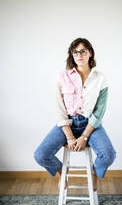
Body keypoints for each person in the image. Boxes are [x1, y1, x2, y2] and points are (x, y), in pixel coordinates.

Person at [34, 37, 116, 192]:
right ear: (72, 55)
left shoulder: (100, 78)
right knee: (40, 155)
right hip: (67, 123)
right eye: (75, 52)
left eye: (83, 51)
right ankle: (61, 172)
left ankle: (93, 172)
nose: (79, 55)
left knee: (109, 154)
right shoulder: (62, 76)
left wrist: (84, 136)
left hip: (91, 123)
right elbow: (59, 109)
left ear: (90, 53)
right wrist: (70, 136)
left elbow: (99, 111)